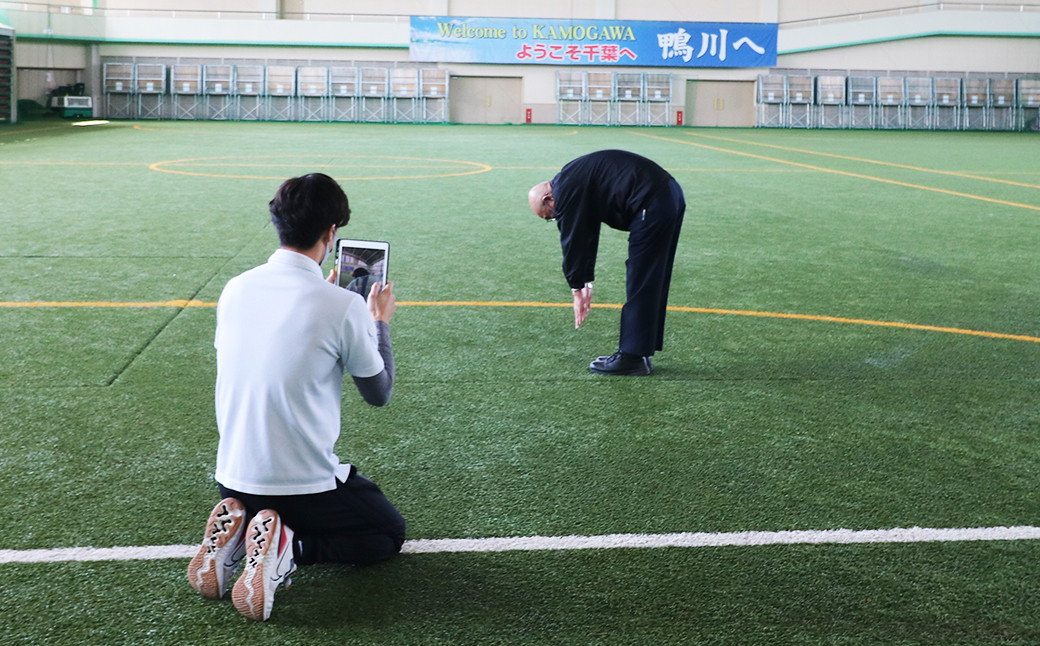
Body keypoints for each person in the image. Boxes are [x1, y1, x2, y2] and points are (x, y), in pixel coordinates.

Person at [187, 173, 405, 622]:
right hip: (301, 488)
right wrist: (378, 323)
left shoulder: (235, 288)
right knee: (386, 533)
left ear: (278, 223)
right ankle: (288, 548)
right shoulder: (343, 306)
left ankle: (237, 537)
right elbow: (379, 393)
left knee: (265, 501)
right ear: (331, 234)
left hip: (232, 480)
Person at [528, 149, 685, 376]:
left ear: (548, 199)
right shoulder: (572, 179)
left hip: (651, 201)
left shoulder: (566, 189)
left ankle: (632, 357)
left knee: (641, 276)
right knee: (652, 278)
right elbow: (586, 230)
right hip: (669, 195)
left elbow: (574, 238)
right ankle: (641, 352)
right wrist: (584, 281)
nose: (555, 218)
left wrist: (577, 286)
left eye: (550, 216)